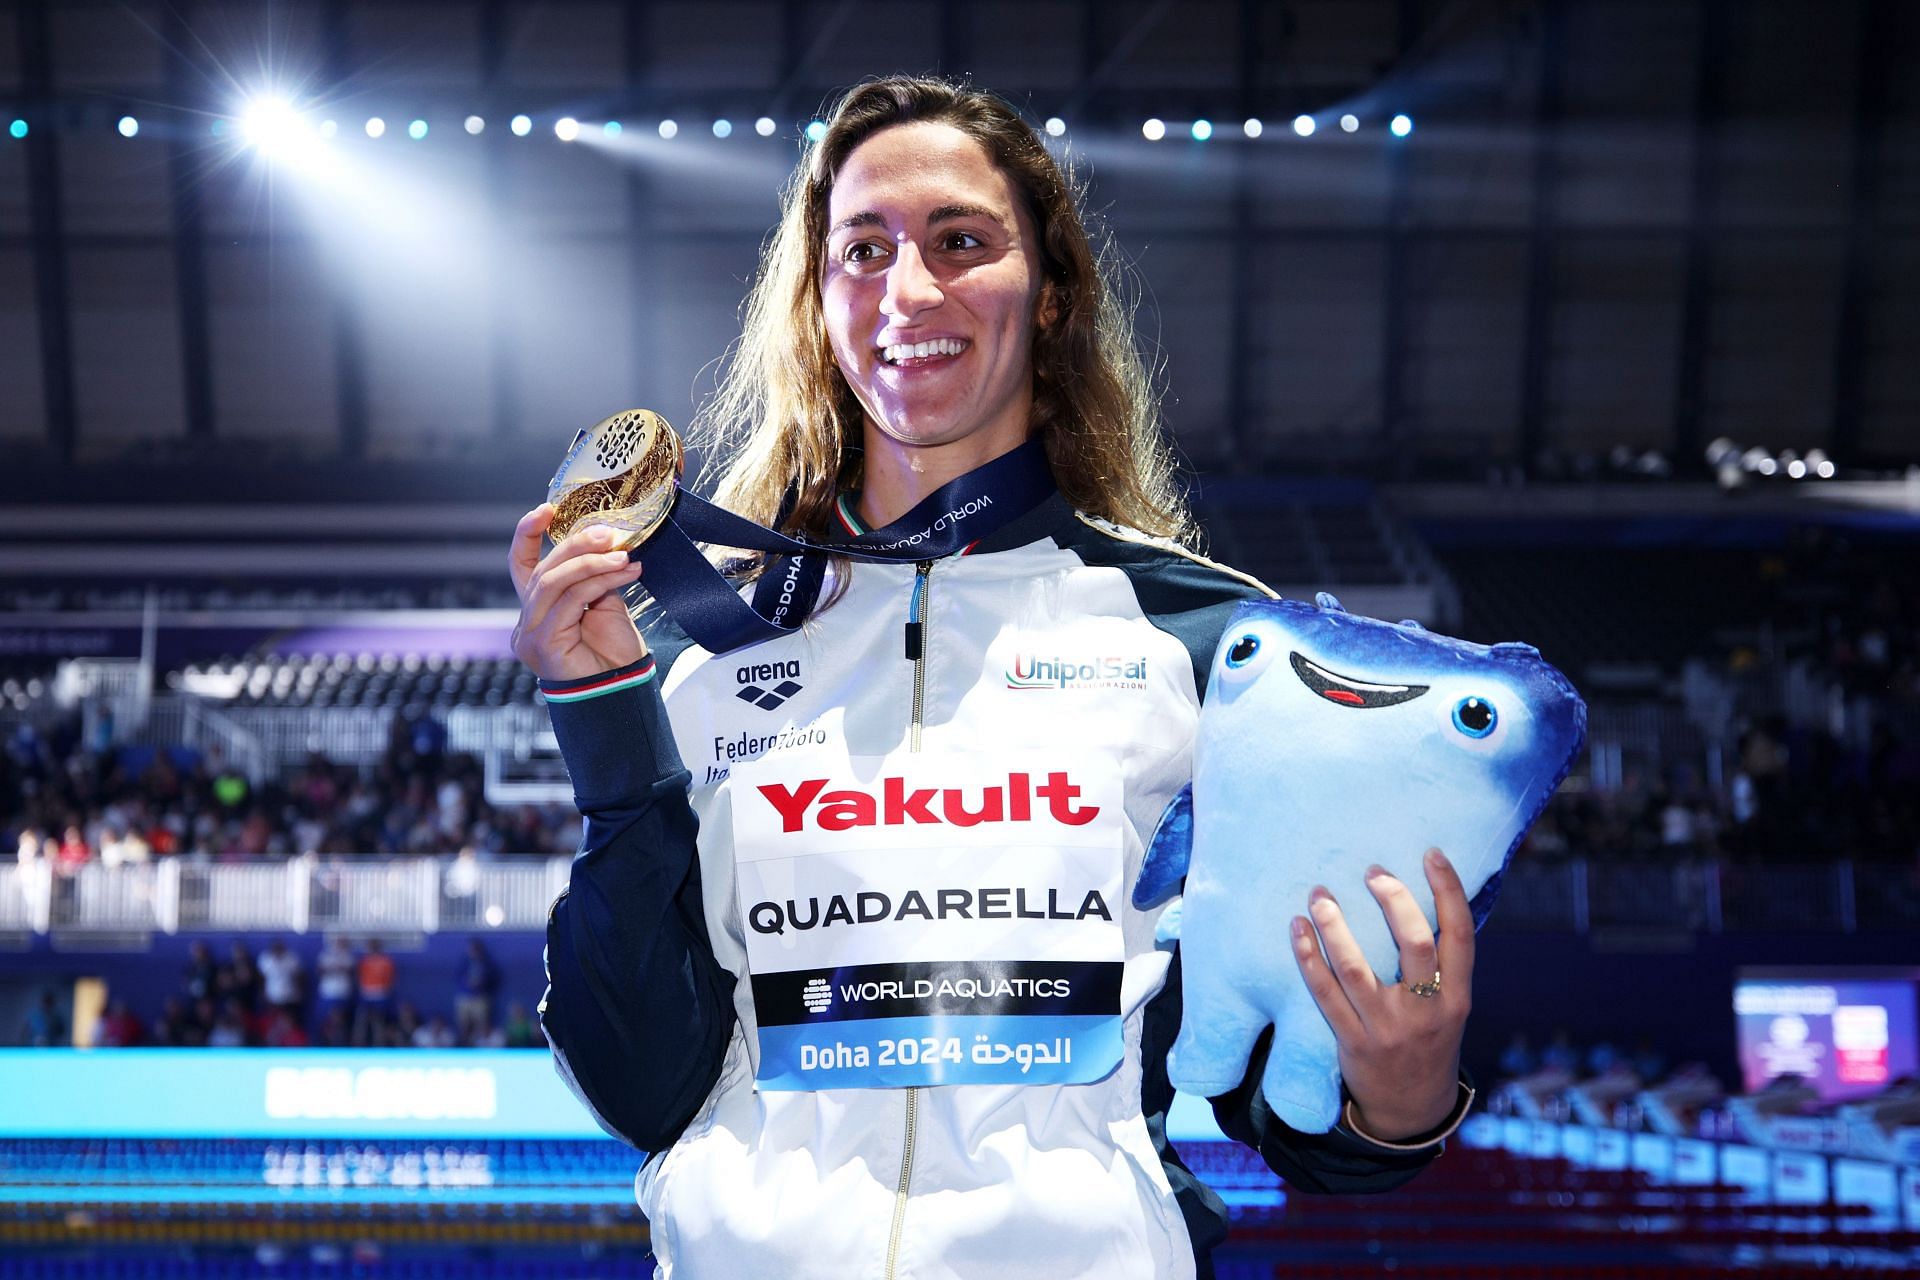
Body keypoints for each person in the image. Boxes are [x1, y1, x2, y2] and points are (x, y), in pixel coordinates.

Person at [512, 75, 1476, 1279]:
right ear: (819, 304)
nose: (907, 289)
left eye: (961, 241)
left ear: (1053, 292)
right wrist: (609, 738)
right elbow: (644, 1082)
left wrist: (1402, 1088)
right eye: (862, 250)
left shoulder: (1206, 642)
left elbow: (1283, 1106)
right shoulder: (708, 643)